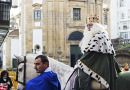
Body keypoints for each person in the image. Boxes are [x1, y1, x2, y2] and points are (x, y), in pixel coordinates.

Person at [64, 16, 121, 90]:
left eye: (91, 25)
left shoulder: (99, 37)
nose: (88, 28)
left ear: (97, 26)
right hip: (96, 64)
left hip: (100, 68)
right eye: (87, 26)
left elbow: (89, 57)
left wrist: (78, 63)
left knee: (80, 77)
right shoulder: (101, 36)